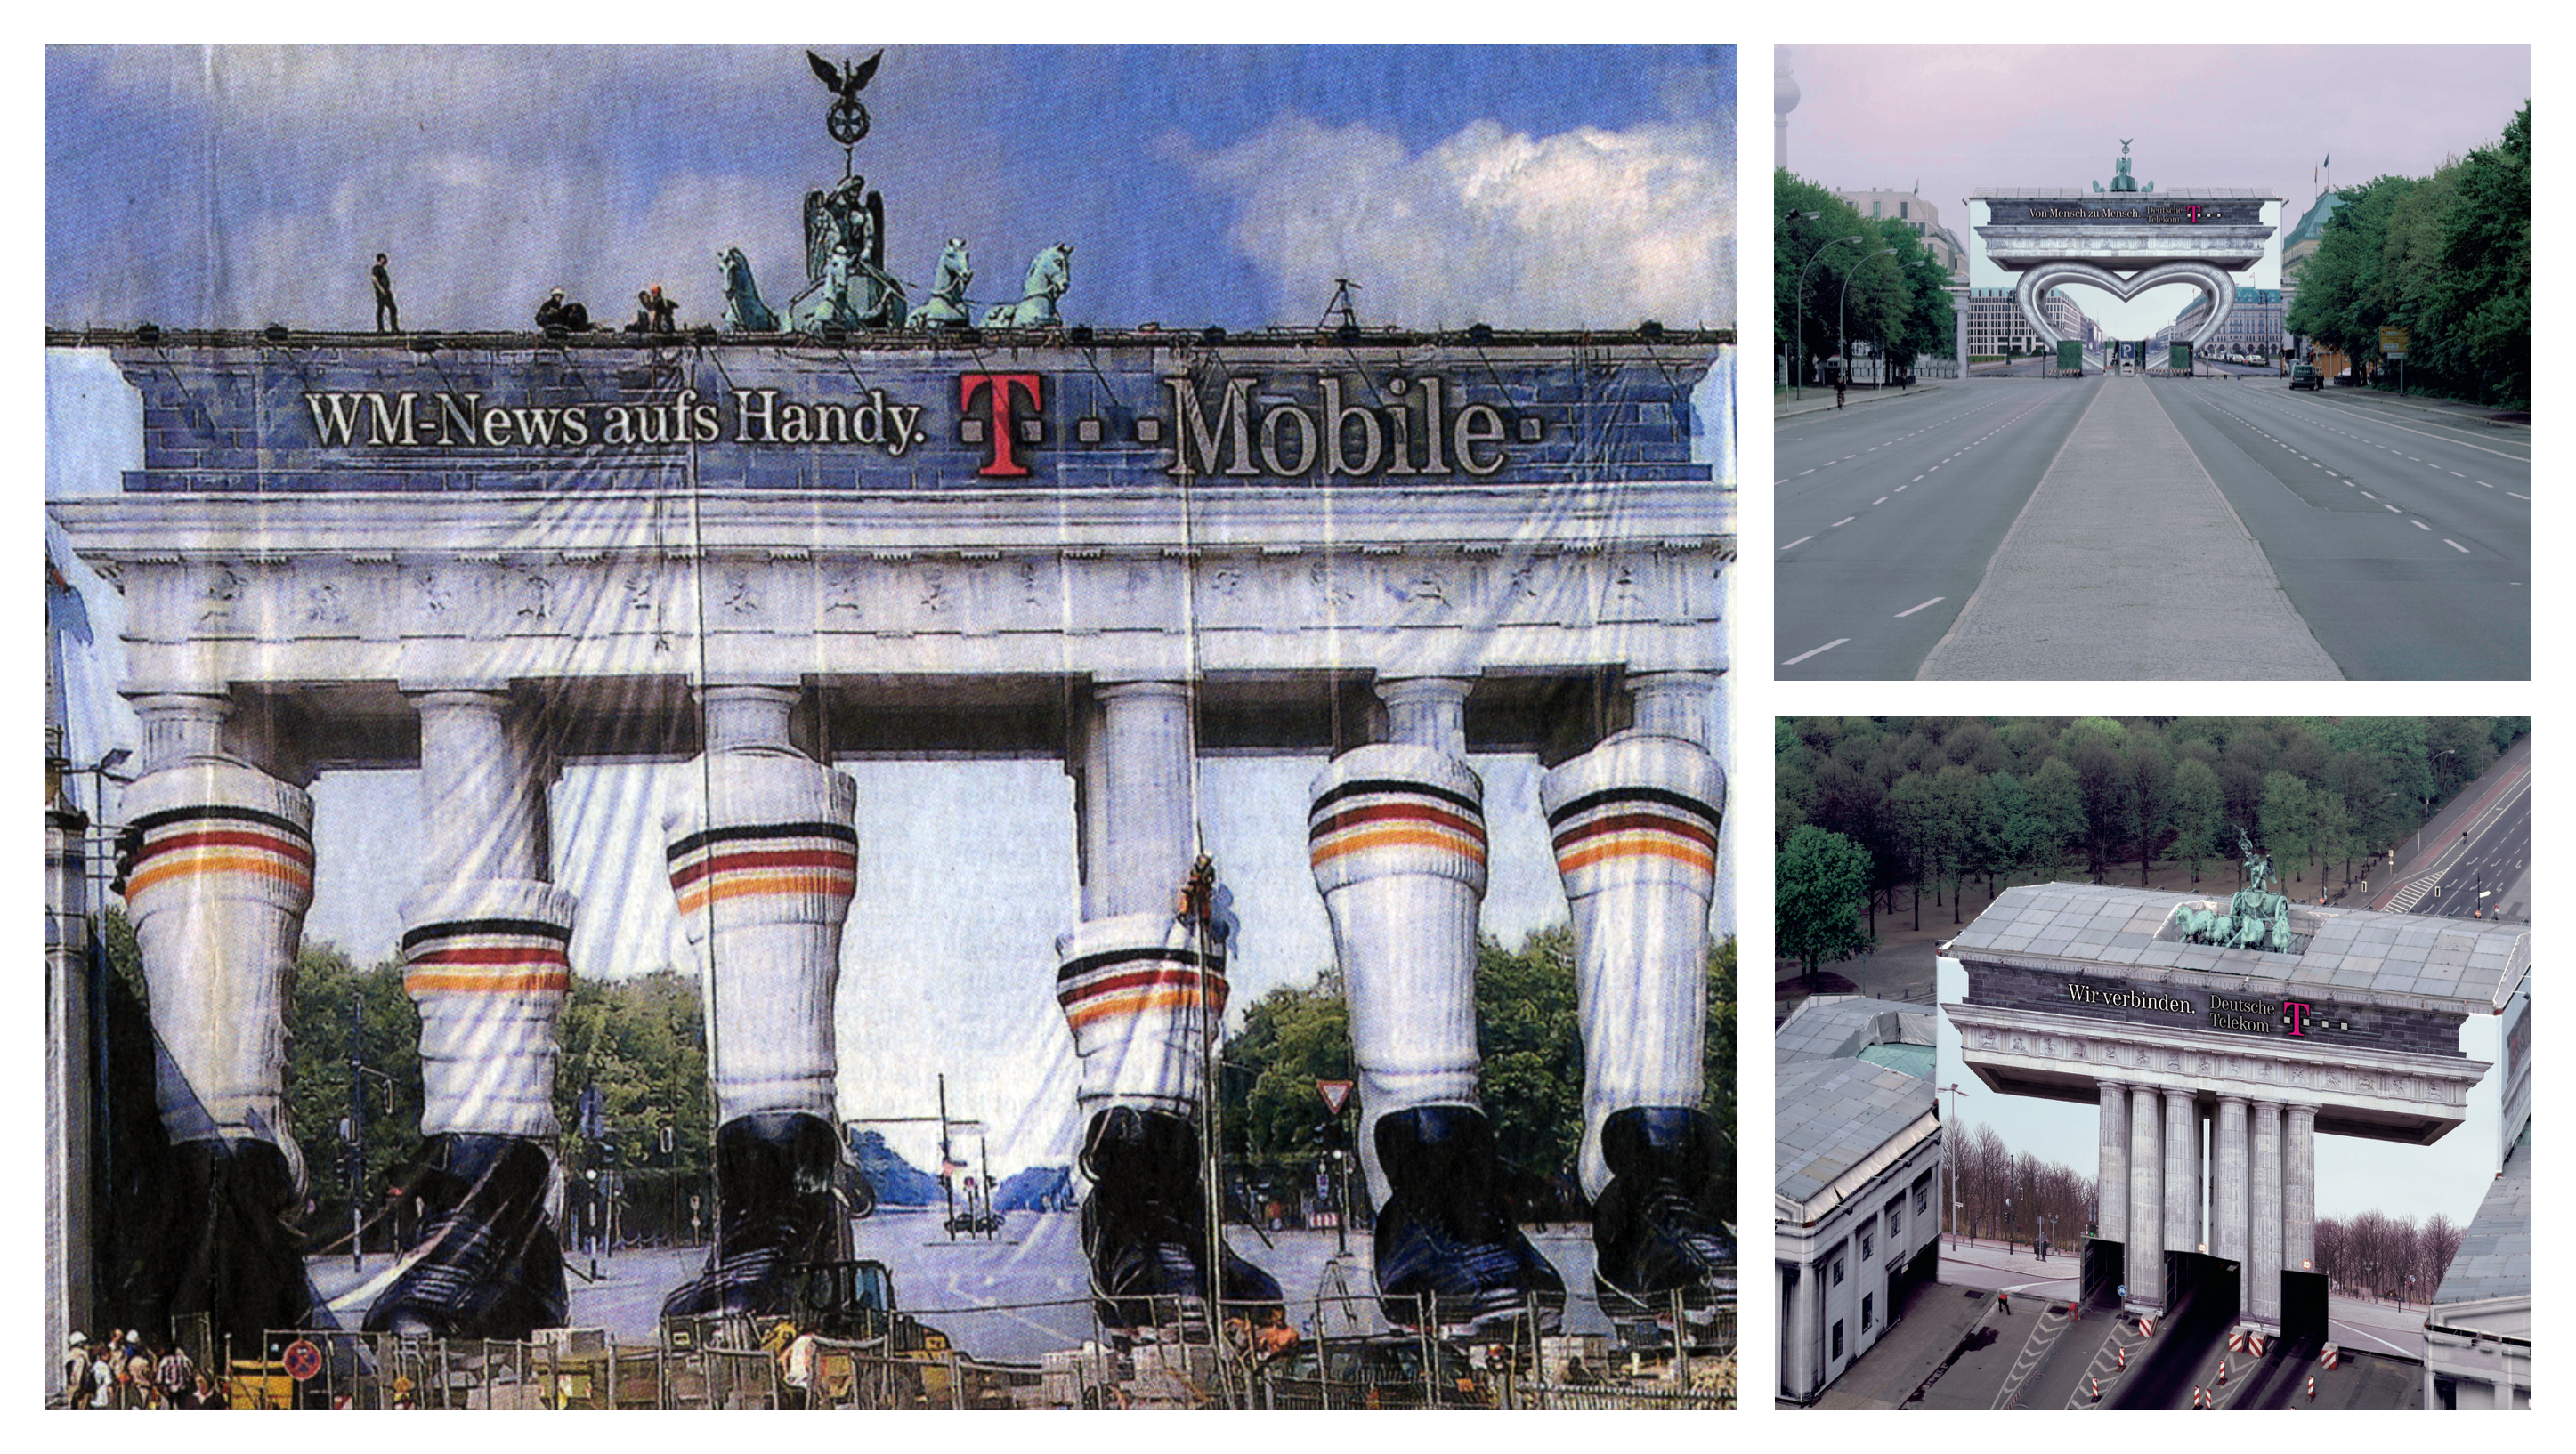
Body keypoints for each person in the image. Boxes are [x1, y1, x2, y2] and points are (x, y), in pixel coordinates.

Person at [372, 254, 400, 334]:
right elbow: (375, 280)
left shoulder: (383, 269)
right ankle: (381, 329)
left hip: (386, 293)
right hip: (381, 294)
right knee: (381, 310)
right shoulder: (377, 268)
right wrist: (382, 290)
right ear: (381, 259)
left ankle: (394, 328)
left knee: (392, 309)